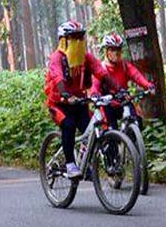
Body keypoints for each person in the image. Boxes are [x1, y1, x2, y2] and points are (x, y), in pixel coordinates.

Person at [44, 21, 117, 178]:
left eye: (80, 37)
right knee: (68, 126)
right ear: (64, 40)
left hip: (80, 103)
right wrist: (65, 95)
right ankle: (70, 163)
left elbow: (102, 73)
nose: (78, 41)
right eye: (73, 37)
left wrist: (119, 90)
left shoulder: (85, 57)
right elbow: (57, 78)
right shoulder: (56, 58)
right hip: (59, 104)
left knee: (91, 130)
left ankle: (86, 163)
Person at [90, 33, 155, 130]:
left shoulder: (125, 66)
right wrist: (95, 94)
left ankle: (132, 143)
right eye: (112, 49)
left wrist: (148, 85)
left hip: (123, 101)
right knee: (111, 131)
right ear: (106, 51)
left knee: (137, 121)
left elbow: (136, 76)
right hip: (107, 104)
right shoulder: (101, 68)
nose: (116, 53)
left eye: (118, 49)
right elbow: (94, 85)